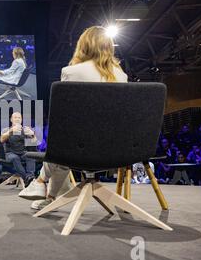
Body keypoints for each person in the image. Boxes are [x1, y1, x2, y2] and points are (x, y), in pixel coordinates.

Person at [19, 25, 128, 210]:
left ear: (83, 46)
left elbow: (65, 117)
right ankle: (50, 196)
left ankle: (40, 181)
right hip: (118, 149)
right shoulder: (122, 75)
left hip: (81, 148)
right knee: (68, 141)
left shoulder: (72, 72)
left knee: (64, 140)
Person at [0, 112, 37, 184]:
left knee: (31, 155)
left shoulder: (24, 130)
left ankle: (30, 176)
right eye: (15, 117)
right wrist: (11, 131)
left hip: (22, 153)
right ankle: (27, 179)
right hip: (10, 153)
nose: (17, 119)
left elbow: (34, 142)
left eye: (19, 117)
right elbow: (1, 140)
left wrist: (33, 134)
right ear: (11, 119)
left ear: (21, 120)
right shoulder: (6, 130)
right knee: (15, 158)